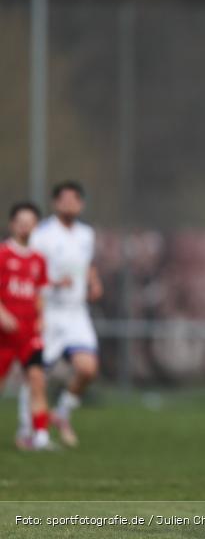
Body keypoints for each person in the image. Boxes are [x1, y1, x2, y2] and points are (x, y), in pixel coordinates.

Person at [19, 181, 103, 448]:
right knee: (36, 374)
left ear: (82, 204)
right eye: (64, 200)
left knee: (88, 369)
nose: (69, 204)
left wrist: (94, 281)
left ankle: (62, 412)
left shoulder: (86, 234)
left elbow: (87, 264)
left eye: (74, 200)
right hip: (51, 311)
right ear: (55, 203)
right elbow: (30, 269)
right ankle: (27, 429)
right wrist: (46, 295)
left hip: (77, 312)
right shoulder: (43, 234)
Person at [1, 202, 52, 451]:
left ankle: (40, 436)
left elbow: (39, 293)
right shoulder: (2, 254)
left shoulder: (38, 260)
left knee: (37, 379)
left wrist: (41, 317)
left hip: (29, 332)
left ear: (36, 225)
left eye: (30, 221)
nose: (25, 225)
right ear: (12, 224)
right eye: (20, 220)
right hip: (4, 334)